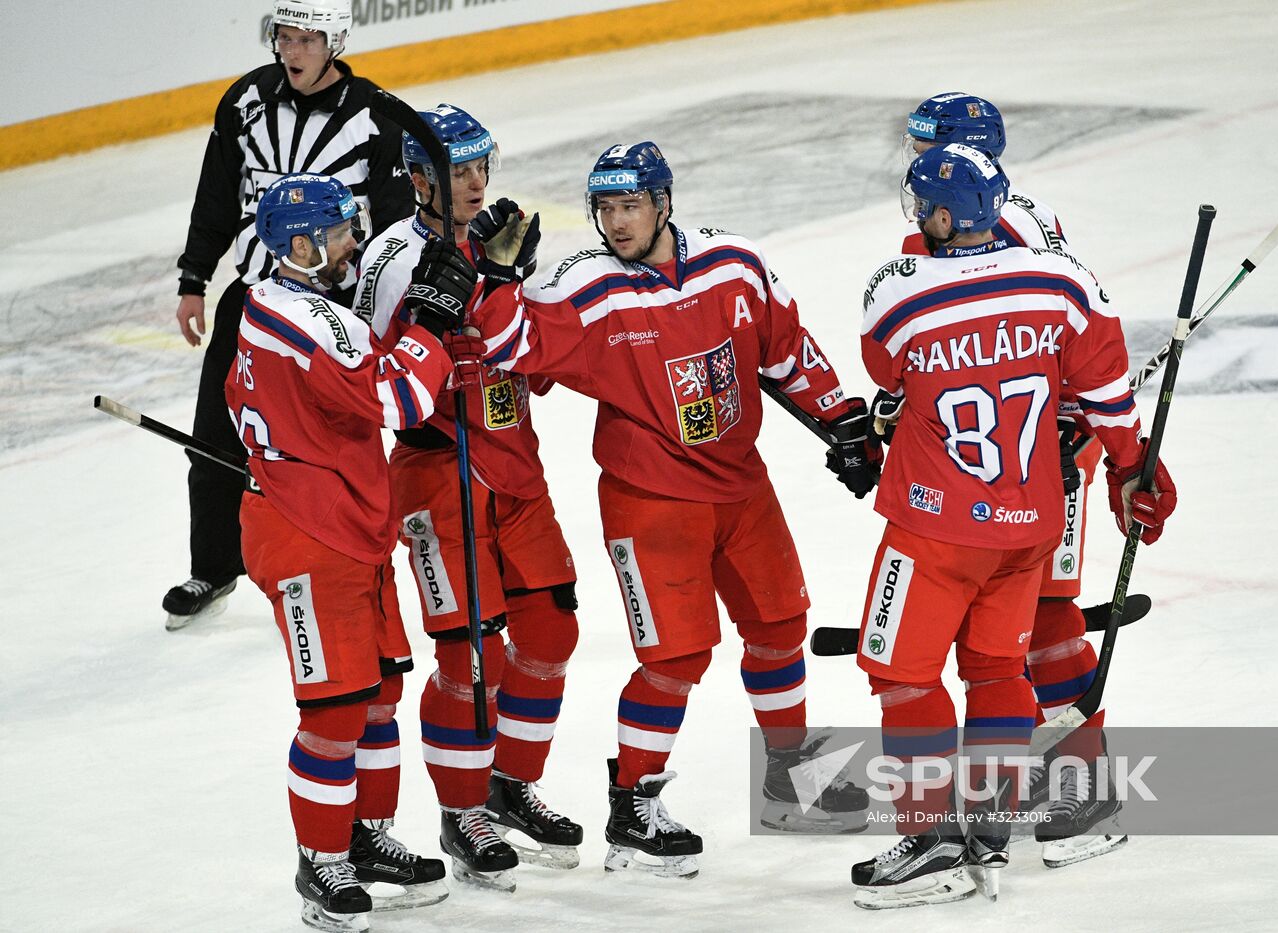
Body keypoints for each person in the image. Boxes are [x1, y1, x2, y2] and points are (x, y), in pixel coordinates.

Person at [460, 141, 879, 878]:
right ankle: (633, 807)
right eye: (605, 209)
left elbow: (785, 349)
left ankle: (792, 778)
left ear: (663, 201)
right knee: (677, 653)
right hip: (649, 498)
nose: (617, 223)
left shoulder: (734, 263)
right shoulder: (584, 287)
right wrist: (496, 279)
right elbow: (508, 344)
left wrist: (842, 415)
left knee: (780, 625)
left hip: (741, 487)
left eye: (631, 205)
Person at [848, 145, 1176, 909]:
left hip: (934, 529)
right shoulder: (1064, 279)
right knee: (997, 671)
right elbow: (1106, 396)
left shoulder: (899, 291)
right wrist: (1135, 470)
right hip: (1029, 523)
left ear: (937, 215)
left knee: (901, 674)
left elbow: (883, 372)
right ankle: (989, 834)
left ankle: (931, 843)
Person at [227, 172, 480, 931]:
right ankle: (322, 861)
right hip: (309, 535)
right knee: (334, 710)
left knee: (376, 693)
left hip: (345, 518)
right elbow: (402, 401)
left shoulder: (284, 301)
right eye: (340, 233)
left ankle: (365, 838)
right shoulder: (311, 320)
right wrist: (432, 323)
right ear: (301, 247)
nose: (353, 244)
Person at [884, 92, 1122, 863]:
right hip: (1032, 445)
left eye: (926, 145)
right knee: (1016, 631)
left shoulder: (991, 234)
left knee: (1044, 620)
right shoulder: (1018, 213)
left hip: (1037, 456)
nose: (911, 160)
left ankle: (1085, 787)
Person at [352, 104, 583, 891]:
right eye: (458, 171)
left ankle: (510, 785)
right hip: (435, 474)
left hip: (515, 459)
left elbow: (544, 360)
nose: (478, 182)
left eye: (483, 164)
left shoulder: (509, 236)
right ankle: (462, 810)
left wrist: (510, 289)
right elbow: (387, 393)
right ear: (418, 178)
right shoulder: (388, 261)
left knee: (551, 630)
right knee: (467, 653)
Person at [164, 0, 413, 631]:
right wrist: (195, 276)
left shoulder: (376, 117)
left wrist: (395, 305)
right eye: (284, 36)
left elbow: (393, 226)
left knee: (331, 445)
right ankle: (214, 565)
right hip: (251, 301)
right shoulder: (246, 102)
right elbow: (218, 190)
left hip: (332, 309)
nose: (292, 50)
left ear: (334, 40)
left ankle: (355, 556)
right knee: (214, 434)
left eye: (306, 38)